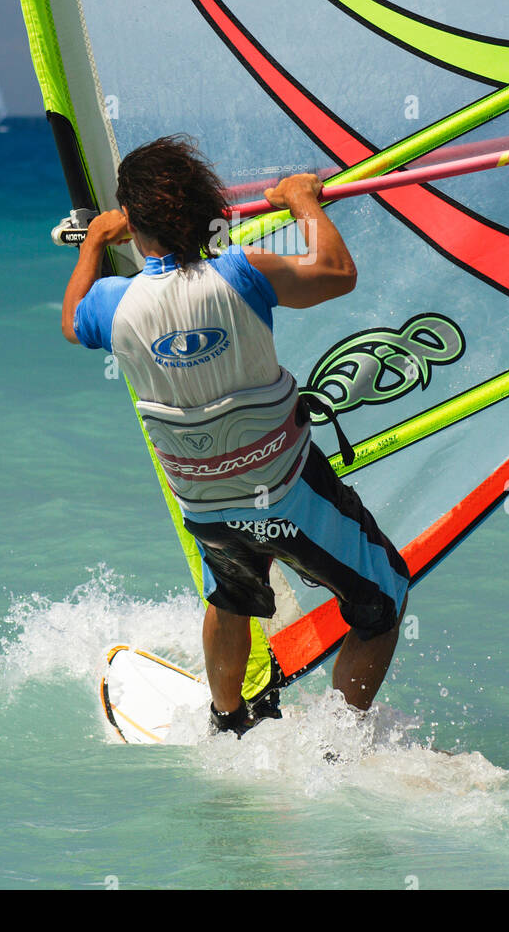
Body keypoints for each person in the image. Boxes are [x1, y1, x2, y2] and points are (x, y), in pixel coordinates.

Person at [62, 135, 409, 736]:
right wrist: (303, 201)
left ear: (135, 227)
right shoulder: (241, 272)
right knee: (382, 602)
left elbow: (71, 322)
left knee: (230, 596)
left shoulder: (113, 306)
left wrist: (94, 239)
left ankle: (228, 725)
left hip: (206, 507)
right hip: (286, 495)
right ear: (208, 214)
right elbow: (337, 273)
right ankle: (338, 750)